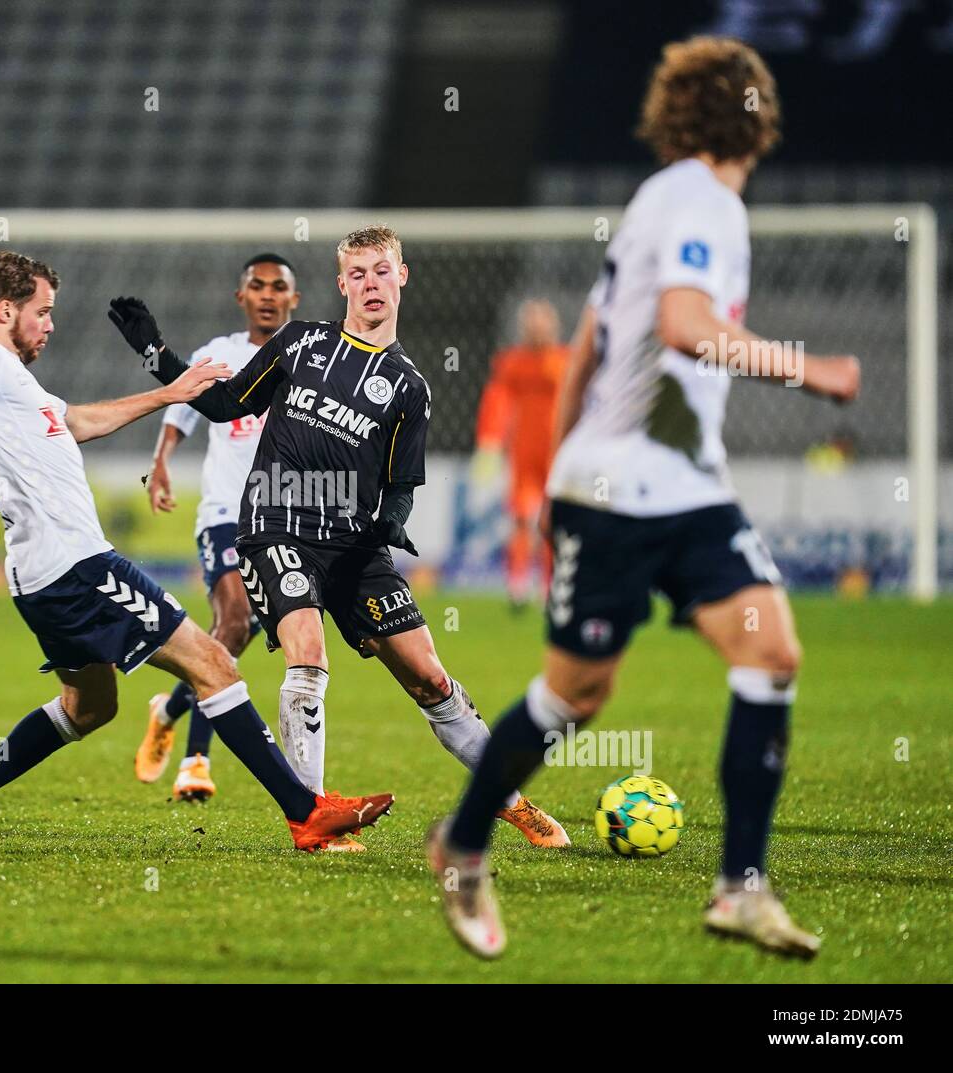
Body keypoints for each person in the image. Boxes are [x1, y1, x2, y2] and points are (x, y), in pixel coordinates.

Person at [426, 37, 860, 958]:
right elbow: (683, 324)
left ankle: (741, 884)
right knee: (575, 694)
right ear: (757, 115)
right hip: (625, 491)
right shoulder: (704, 201)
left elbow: (590, 340)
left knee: (770, 649)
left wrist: (555, 471)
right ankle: (463, 845)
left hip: (676, 487)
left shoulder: (656, 202)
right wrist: (807, 369)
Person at [0, 250, 393, 853]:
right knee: (215, 664)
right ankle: (305, 813)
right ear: (5, 310)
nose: (50, 326)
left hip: (38, 577)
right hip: (78, 564)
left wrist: (171, 393)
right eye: (43, 312)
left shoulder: (11, 380)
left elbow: (79, 420)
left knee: (89, 708)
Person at [108, 226, 568, 853]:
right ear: (341, 283)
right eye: (358, 273)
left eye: (381, 271)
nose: (370, 284)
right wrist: (155, 352)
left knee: (429, 677)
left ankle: (509, 804)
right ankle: (315, 819)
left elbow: (403, 481)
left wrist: (393, 521)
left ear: (401, 276)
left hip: (353, 545)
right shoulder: (301, 344)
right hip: (276, 525)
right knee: (307, 648)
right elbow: (222, 403)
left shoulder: (409, 386)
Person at [133, 253, 299, 802]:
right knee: (235, 617)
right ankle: (196, 762)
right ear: (241, 298)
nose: (269, 295)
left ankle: (172, 706)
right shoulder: (218, 355)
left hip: (284, 520)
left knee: (248, 630)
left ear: (293, 300)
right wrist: (160, 464)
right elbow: (181, 408)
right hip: (226, 515)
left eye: (279, 287)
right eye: (258, 286)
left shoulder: (307, 359)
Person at [473, 298, 568, 605]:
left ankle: (549, 583)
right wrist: (490, 442)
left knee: (553, 519)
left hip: (559, 453)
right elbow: (496, 403)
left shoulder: (566, 361)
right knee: (522, 517)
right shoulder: (512, 363)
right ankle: (517, 582)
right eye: (531, 324)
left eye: (541, 323)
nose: (536, 330)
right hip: (524, 453)